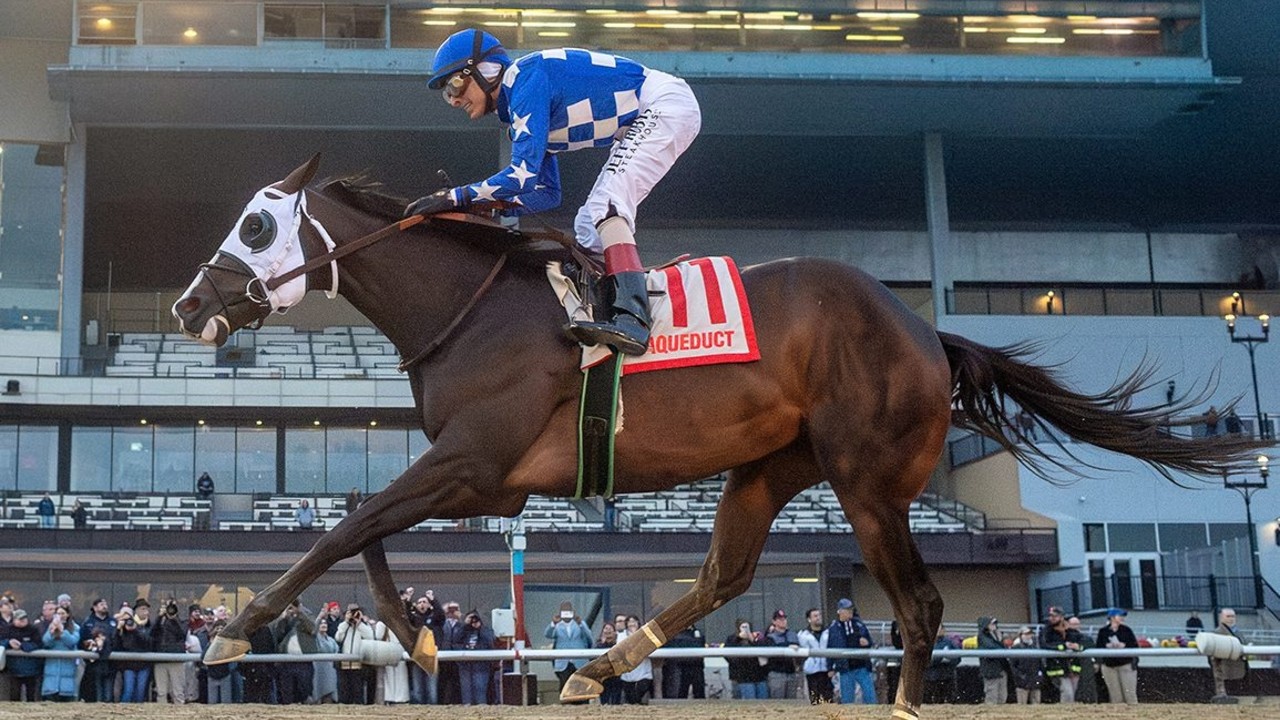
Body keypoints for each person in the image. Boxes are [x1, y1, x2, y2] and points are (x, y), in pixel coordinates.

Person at [407, 28, 702, 356]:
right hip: (651, 113)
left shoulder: (524, 80)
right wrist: (488, 208)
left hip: (663, 105)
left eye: (455, 86)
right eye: (448, 94)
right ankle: (605, 311)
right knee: (588, 223)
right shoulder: (519, 103)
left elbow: (521, 176)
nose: (455, 100)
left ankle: (633, 316)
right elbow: (547, 193)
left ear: (483, 70)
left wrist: (456, 197)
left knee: (607, 204)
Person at [826, 598, 876, 704]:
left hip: (862, 665)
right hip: (845, 667)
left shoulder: (859, 624)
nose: (850, 612)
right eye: (847, 610)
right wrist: (829, 667)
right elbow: (830, 647)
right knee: (847, 699)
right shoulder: (834, 628)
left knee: (870, 695)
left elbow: (870, 641)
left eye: (850, 609)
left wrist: (867, 643)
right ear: (840, 611)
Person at [271, 599, 317, 704]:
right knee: (287, 693)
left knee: (305, 691)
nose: (292, 608)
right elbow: (278, 635)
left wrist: (300, 612)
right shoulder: (285, 618)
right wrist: (284, 617)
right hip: (286, 662)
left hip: (303, 661)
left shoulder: (307, 615)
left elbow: (313, 629)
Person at [1038, 605, 1084, 703]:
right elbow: (1045, 645)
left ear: (1062, 617)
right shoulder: (1046, 631)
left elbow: (1084, 642)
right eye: (1051, 616)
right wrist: (1063, 646)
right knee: (1067, 693)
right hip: (1057, 668)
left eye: (1055, 616)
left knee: (1073, 693)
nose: (1052, 618)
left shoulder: (1070, 630)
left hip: (1072, 668)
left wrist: (1077, 646)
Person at [544, 601, 592, 692]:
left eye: (568, 611)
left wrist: (581, 624)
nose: (566, 613)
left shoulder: (579, 623)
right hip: (563, 662)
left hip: (579, 661)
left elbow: (589, 636)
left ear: (572, 611)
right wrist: (553, 623)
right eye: (564, 611)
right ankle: (566, 704)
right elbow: (548, 634)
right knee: (565, 686)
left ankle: (582, 704)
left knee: (581, 685)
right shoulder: (557, 626)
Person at [1095, 607, 1139, 704]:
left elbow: (1134, 646)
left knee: (1130, 694)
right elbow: (1098, 647)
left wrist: (1124, 646)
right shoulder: (1103, 631)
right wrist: (1107, 646)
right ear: (1112, 617)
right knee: (1115, 695)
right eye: (1120, 616)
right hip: (1109, 666)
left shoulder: (1127, 630)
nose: (1122, 618)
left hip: (1125, 664)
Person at [453, 610, 496, 705]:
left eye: (475, 618)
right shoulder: (464, 630)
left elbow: (490, 641)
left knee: (480, 691)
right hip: (465, 665)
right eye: (471, 619)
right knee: (466, 692)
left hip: (481, 665)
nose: (473, 621)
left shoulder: (486, 630)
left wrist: (480, 627)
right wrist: (465, 625)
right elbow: (455, 640)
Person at [335, 603, 373, 704]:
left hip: (358, 665)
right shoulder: (343, 626)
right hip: (344, 665)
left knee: (357, 692)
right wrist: (346, 622)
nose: (353, 615)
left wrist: (359, 623)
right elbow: (338, 638)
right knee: (344, 693)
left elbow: (370, 636)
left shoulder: (363, 627)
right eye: (350, 613)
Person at [117, 599, 153, 703]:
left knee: (140, 692)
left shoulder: (150, 626)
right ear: (136, 611)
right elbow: (124, 643)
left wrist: (135, 630)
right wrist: (119, 629)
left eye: (147, 609)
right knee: (128, 691)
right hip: (129, 664)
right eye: (142, 609)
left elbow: (149, 642)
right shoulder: (128, 624)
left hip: (144, 664)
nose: (145, 611)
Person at [41, 606, 80, 701]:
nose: (60, 616)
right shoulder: (51, 626)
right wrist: (52, 633)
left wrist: (62, 632)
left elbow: (72, 642)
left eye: (63, 613)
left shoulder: (75, 627)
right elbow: (46, 642)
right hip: (52, 665)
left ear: (68, 615)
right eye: (58, 613)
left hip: (68, 665)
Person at [3, 609, 43, 700]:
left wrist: (22, 646)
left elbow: (38, 644)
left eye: (24, 618)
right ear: (14, 620)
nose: (23, 620)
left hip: (31, 669)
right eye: (20, 619)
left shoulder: (33, 629)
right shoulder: (7, 629)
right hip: (14, 669)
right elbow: (1, 642)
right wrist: (9, 643)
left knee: (31, 696)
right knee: (14, 696)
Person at [724, 618, 768, 699]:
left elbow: (763, 652)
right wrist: (738, 638)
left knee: (763, 701)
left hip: (759, 676)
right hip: (742, 678)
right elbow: (727, 655)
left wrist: (752, 640)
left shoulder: (756, 638)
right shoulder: (732, 639)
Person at [1210, 607, 1247, 702]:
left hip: (1238, 669)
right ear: (1221, 618)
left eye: (1233, 616)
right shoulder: (1217, 633)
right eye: (1228, 616)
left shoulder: (1238, 632)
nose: (1231, 619)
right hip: (1226, 669)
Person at [797, 607, 832, 705]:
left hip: (826, 671)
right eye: (815, 616)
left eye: (819, 615)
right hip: (812, 671)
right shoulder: (802, 634)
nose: (818, 618)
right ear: (809, 619)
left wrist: (831, 667)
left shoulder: (828, 632)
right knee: (815, 700)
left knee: (828, 699)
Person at [764, 608, 801, 700]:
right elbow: (772, 653)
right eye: (780, 619)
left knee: (792, 702)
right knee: (778, 702)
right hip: (777, 674)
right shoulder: (770, 637)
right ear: (774, 622)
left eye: (784, 619)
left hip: (792, 673)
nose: (783, 621)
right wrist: (788, 646)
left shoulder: (792, 634)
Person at [664, 624, 706, 700]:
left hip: (697, 667)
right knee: (681, 693)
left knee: (699, 693)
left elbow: (701, 647)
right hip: (680, 669)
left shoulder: (699, 633)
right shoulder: (675, 634)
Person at [977, 615, 1009, 704]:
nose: (994, 625)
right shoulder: (982, 636)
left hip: (1001, 670)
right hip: (991, 672)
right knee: (992, 699)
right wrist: (1000, 641)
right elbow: (992, 648)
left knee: (1002, 698)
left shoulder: (996, 635)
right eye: (992, 623)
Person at [923, 626, 958, 704]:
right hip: (931, 677)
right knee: (933, 701)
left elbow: (958, 657)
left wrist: (950, 660)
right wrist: (940, 658)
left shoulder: (949, 642)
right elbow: (924, 660)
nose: (940, 630)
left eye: (941, 628)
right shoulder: (926, 642)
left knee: (950, 700)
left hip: (948, 676)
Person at [1067, 616, 1098, 703]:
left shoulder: (1086, 638)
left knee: (1086, 688)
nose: (1075, 626)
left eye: (1076, 624)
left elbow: (1093, 650)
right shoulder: (1064, 637)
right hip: (1069, 669)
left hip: (1085, 668)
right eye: (1073, 624)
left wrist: (1095, 663)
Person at [1010, 626, 1043, 704]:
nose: (1028, 636)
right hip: (1022, 681)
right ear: (1021, 635)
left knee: (1037, 704)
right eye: (1026, 634)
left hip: (1035, 680)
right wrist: (1020, 676)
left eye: (1030, 634)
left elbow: (1040, 663)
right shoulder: (1016, 648)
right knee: (1022, 705)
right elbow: (1013, 666)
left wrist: (1039, 676)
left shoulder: (1036, 647)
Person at [595, 622, 624, 704]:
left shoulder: (619, 642)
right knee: (604, 696)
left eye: (610, 629)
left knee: (616, 695)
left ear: (614, 632)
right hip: (604, 673)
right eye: (606, 629)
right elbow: (594, 657)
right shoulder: (598, 644)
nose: (608, 631)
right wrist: (603, 643)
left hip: (616, 673)